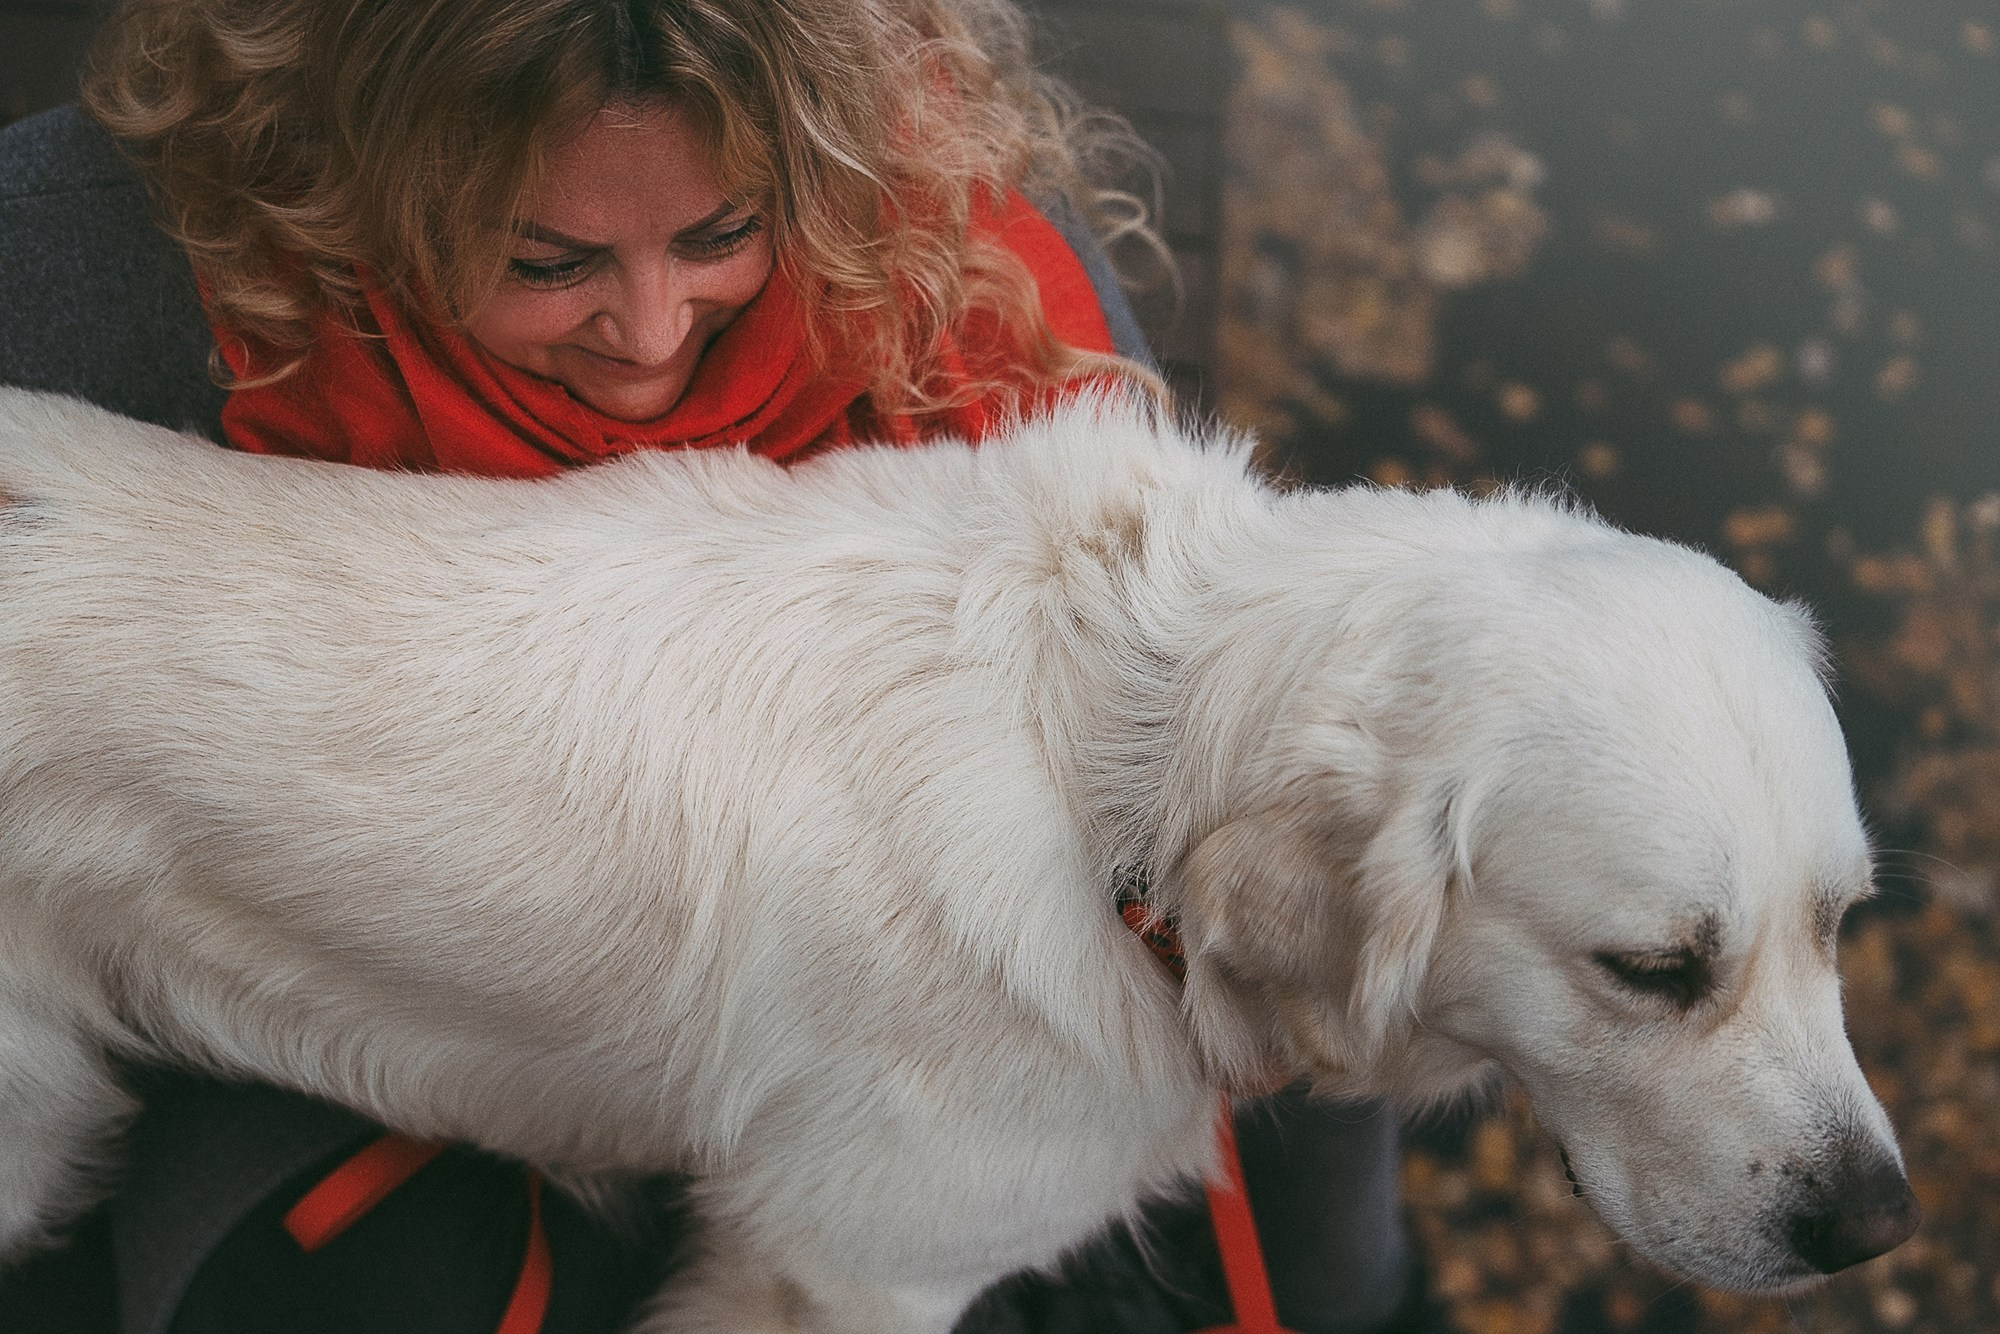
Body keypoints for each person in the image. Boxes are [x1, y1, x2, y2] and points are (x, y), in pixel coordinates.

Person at [0, 0, 1422, 1330]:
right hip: (342, 958)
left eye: (721, 234)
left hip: (891, 1000)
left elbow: (1218, 791)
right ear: (358, 168)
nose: (652, 334)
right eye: (547, 260)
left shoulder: (981, 282)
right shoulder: (138, 247)